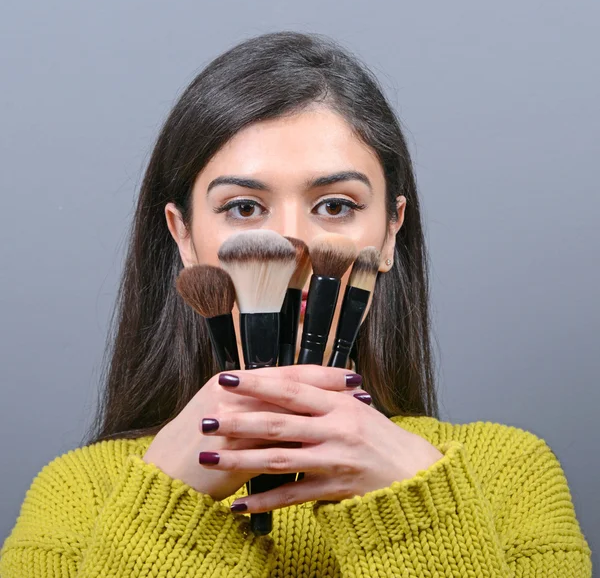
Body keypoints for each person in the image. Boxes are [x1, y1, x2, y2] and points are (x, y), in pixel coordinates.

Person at [0, 31, 592, 577]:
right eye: (243, 207)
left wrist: (415, 503)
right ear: (184, 237)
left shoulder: (509, 474)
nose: (293, 246)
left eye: (335, 205)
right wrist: (165, 502)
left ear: (390, 232)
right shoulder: (76, 493)